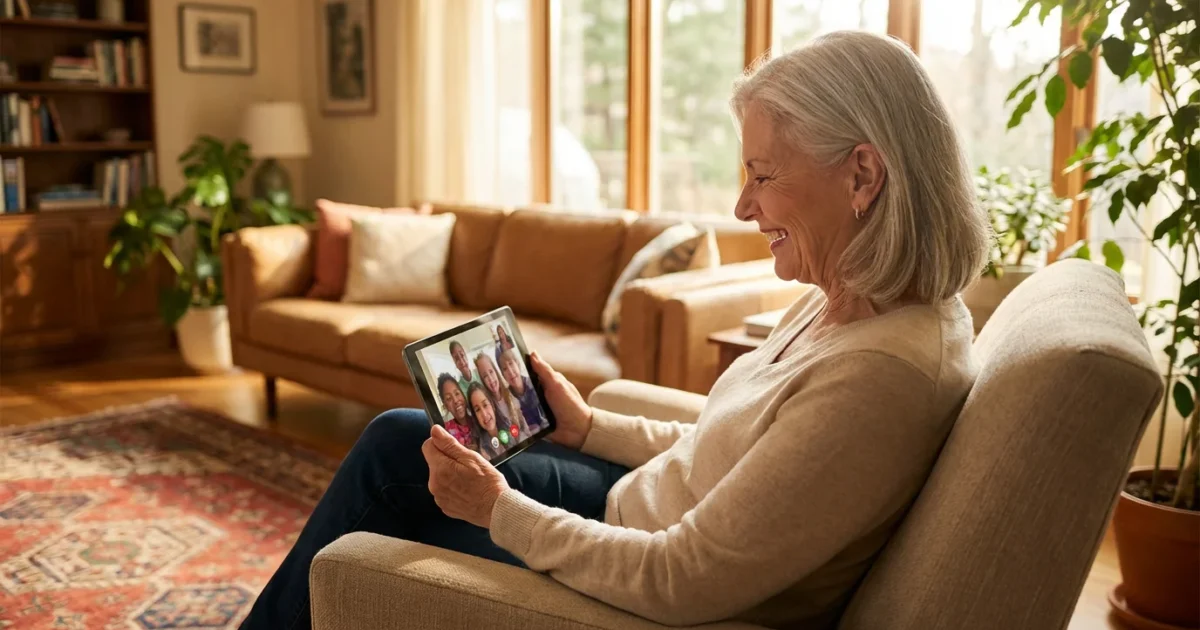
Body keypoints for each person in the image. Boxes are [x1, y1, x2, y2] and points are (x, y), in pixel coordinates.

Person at [241, 31, 988, 630]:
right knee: (402, 438)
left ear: (862, 177)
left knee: (394, 456)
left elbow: (679, 580)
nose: (740, 207)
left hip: (636, 568)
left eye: (762, 175)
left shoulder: (881, 374)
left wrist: (495, 510)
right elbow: (721, 449)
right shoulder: (848, 296)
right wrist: (589, 425)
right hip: (630, 504)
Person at [475, 352, 531, 437]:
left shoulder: (511, 393)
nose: (490, 378)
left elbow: (524, 424)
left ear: (496, 371)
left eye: (491, 372)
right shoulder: (489, 408)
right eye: (485, 376)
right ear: (482, 381)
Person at [499, 348, 548, 431]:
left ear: (517, 364)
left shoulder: (535, 383)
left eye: (511, 364)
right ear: (503, 375)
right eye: (505, 369)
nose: (510, 371)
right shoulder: (507, 399)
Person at [467, 382, 519, 460]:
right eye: (477, 410)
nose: (484, 414)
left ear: (492, 405)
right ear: (475, 416)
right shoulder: (481, 452)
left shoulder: (510, 426)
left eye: (485, 405)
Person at [436, 372, 479, 451]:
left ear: (462, 394)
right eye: (449, 398)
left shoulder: (479, 418)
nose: (455, 400)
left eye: (457, 393)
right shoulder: (445, 432)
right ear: (445, 405)